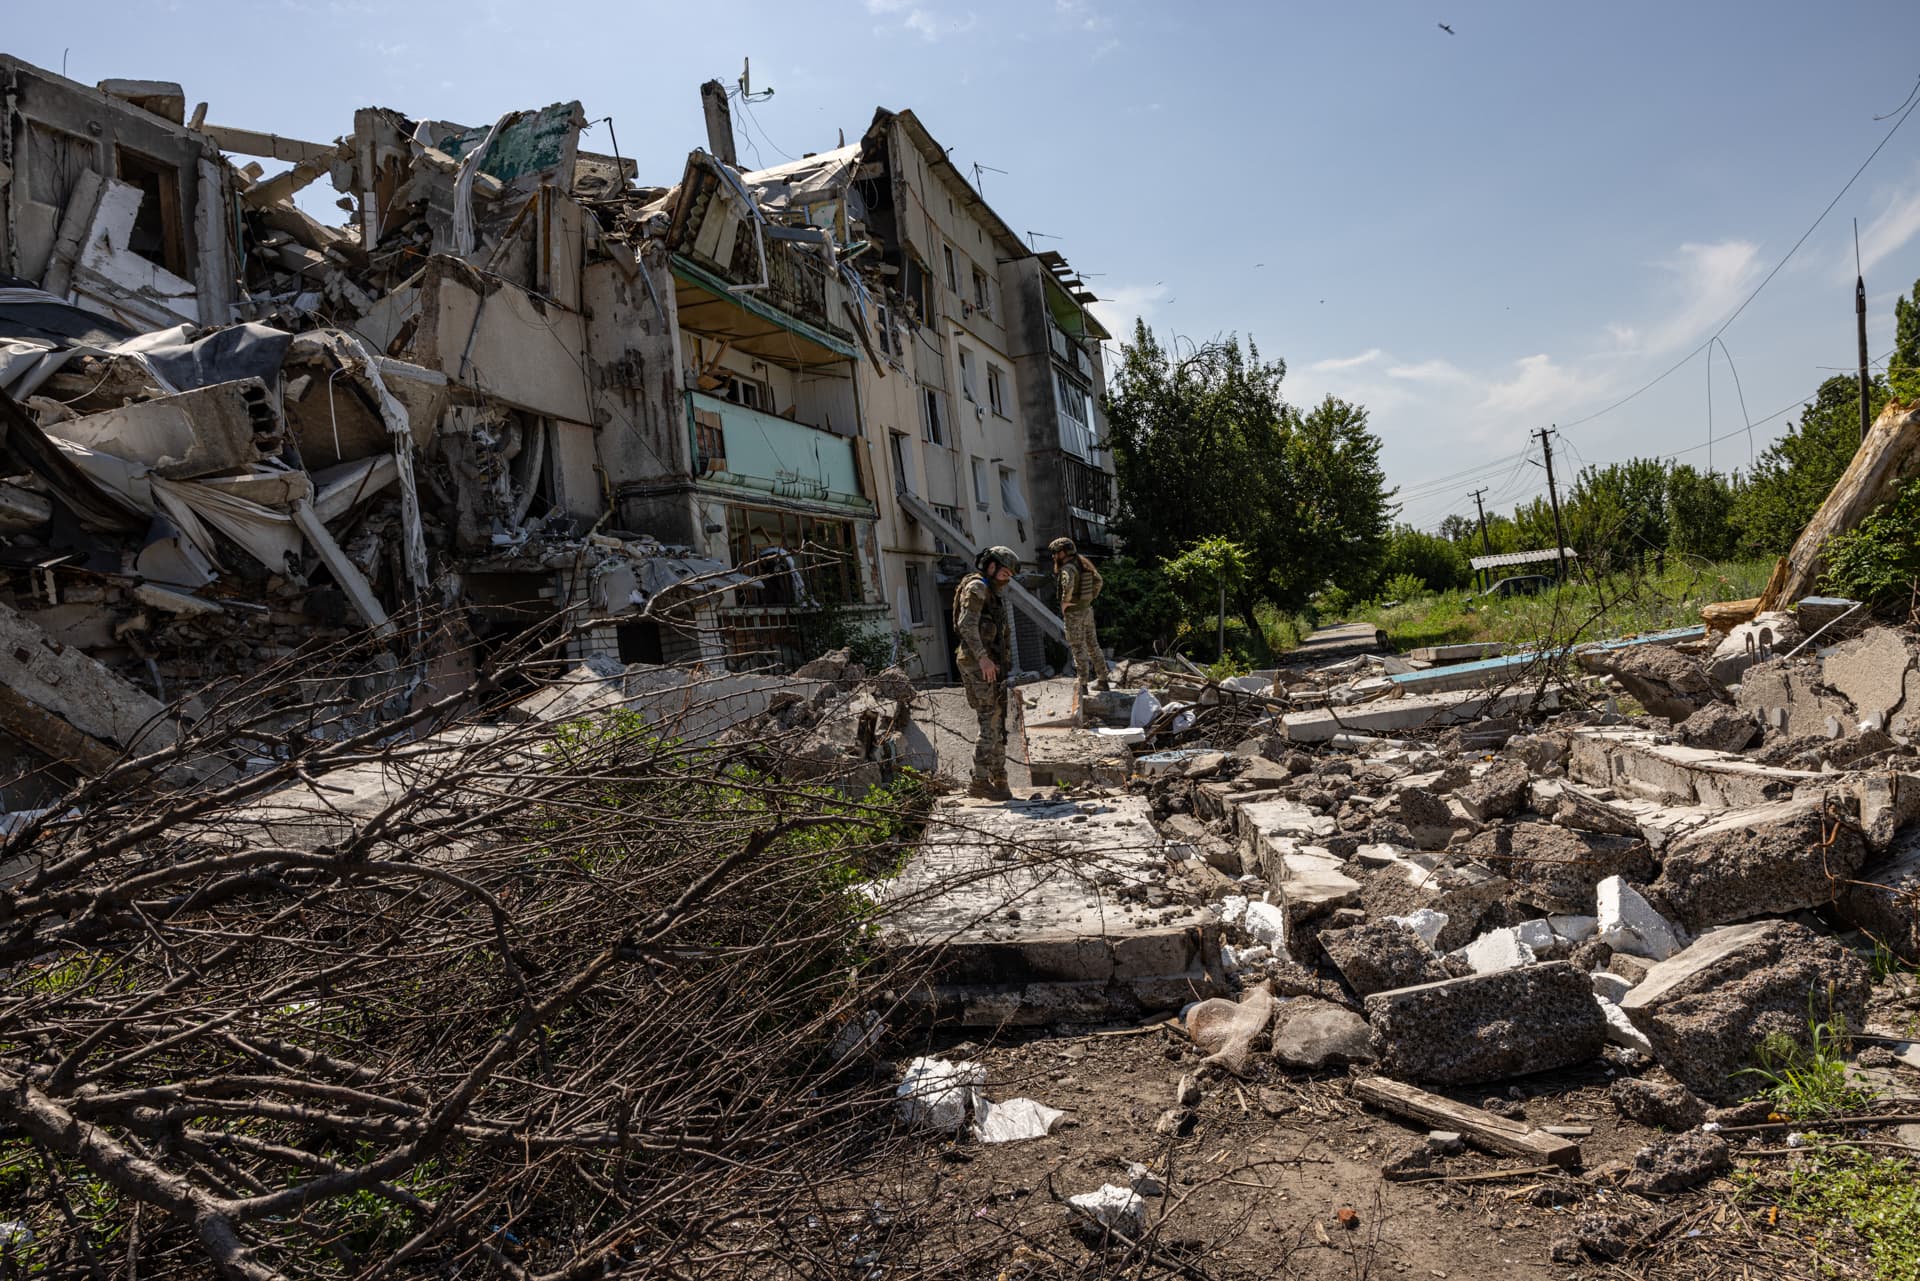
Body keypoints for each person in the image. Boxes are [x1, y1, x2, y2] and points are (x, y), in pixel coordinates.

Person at [953, 545, 1018, 800]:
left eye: (1009, 576)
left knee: (998, 719)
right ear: (991, 567)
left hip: (991, 665)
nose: (1006, 579)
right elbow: (965, 626)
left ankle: (999, 778)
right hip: (979, 664)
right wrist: (983, 659)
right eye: (1004, 573)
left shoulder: (990, 590)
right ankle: (979, 780)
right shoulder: (977, 587)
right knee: (989, 720)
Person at [1049, 536, 1110, 698]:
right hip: (1087, 610)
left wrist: (1065, 603)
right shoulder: (1082, 563)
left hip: (1074, 613)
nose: (1054, 557)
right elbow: (1099, 581)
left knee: (1078, 648)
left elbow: (1067, 585)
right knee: (1093, 645)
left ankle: (1082, 685)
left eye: (1055, 553)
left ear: (1062, 553)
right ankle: (1103, 680)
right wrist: (1089, 598)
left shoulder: (1068, 568)